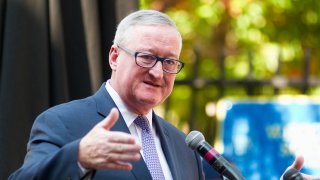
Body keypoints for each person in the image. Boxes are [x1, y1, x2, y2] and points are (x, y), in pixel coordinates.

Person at [9, 9, 203, 180]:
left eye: (169, 62)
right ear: (114, 57)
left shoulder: (185, 147)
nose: (158, 73)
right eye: (146, 57)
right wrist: (79, 158)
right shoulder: (63, 122)